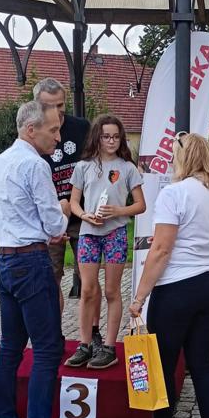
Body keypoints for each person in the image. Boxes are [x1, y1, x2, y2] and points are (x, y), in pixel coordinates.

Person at [0, 100, 85, 418]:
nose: (58, 138)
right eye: (52, 130)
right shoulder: (35, 165)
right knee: (47, 349)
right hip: (31, 260)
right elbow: (56, 225)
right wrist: (62, 211)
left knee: (10, 347)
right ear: (31, 130)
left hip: (5, 260)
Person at [126, 132, 209, 418]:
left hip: (176, 288)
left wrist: (139, 297)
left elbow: (160, 250)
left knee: (163, 366)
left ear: (183, 158)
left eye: (174, 154)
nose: (171, 159)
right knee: (201, 365)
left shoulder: (174, 194)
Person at [68, 114, 145, 369]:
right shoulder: (83, 167)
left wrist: (118, 211)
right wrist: (84, 215)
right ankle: (85, 343)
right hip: (88, 233)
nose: (111, 141)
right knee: (87, 289)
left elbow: (140, 205)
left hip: (115, 234)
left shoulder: (127, 168)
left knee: (112, 291)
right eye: (106, 136)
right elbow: (74, 202)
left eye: (116, 136)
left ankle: (110, 347)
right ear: (97, 138)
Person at [33, 78, 102, 349]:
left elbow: (100, 161)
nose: (56, 111)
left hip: (82, 215)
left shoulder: (81, 127)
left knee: (89, 278)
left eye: (60, 105)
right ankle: (53, 335)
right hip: (49, 217)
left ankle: (93, 333)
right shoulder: (33, 131)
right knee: (51, 280)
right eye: (48, 105)